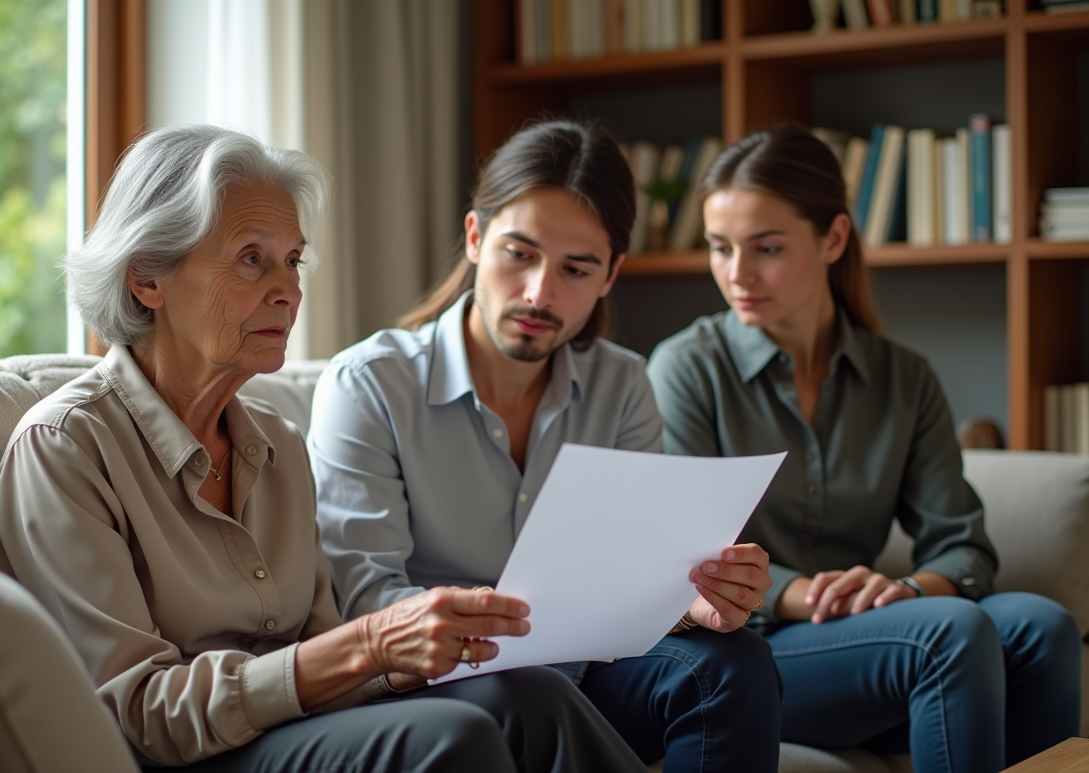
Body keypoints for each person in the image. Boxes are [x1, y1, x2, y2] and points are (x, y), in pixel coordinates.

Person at [0, 124, 651, 773]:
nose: (289, 289)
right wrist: (367, 645)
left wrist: (425, 646)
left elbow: (323, 646)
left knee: (530, 696)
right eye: (252, 258)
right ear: (147, 278)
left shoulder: (276, 443)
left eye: (293, 260)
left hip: (286, 728)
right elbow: (138, 714)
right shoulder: (64, 449)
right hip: (171, 755)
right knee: (455, 735)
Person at [310, 119, 783, 772]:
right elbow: (361, 598)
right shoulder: (369, 385)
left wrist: (691, 600)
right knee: (532, 688)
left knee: (733, 663)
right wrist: (503, 629)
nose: (539, 293)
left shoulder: (622, 383)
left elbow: (636, 579)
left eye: (576, 268)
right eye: (519, 253)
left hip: (586, 672)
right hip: (440, 680)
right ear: (475, 239)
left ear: (611, 275)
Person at [645, 124, 1082, 773]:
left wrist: (905, 589)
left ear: (834, 238)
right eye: (718, 248)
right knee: (951, 632)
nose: (737, 274)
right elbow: (683, 559)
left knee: (1041, 625)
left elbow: (963, 546)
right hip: (750, 646)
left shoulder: (903, 378)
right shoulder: (686, 368)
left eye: (765, 248)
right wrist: (811, 595)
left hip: (873, 630)